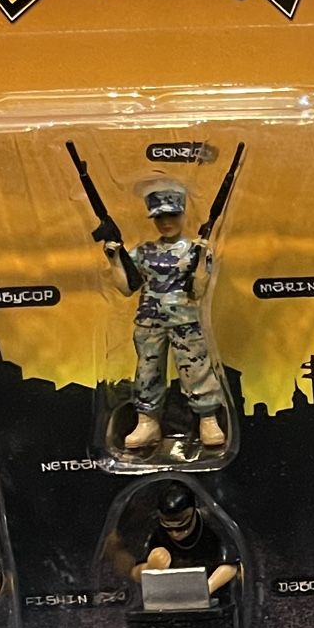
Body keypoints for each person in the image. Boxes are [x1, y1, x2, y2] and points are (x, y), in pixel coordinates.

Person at [111, 182, 227, 451]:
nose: (166, 222)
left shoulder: (194, 249)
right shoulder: (143, 252)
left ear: (183, 214)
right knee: (147, 372)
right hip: (150, 320)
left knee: (196, 370)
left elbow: (198, 290)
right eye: (160, 217)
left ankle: (207, 418)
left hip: (186, 321)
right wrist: (115, 259)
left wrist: (202, 259)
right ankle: (147, 421)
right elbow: (126, 288)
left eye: (172, 215)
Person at [129, 481, 239, 628]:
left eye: (181, 527)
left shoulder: (213, 528)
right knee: (169, 625)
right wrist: (151, 567)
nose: (176, 533)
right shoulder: (157, 534)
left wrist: (206, 588)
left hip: (213, 595)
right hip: (171, 596)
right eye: (169, 527)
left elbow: (231, 566)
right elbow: (135, 571)